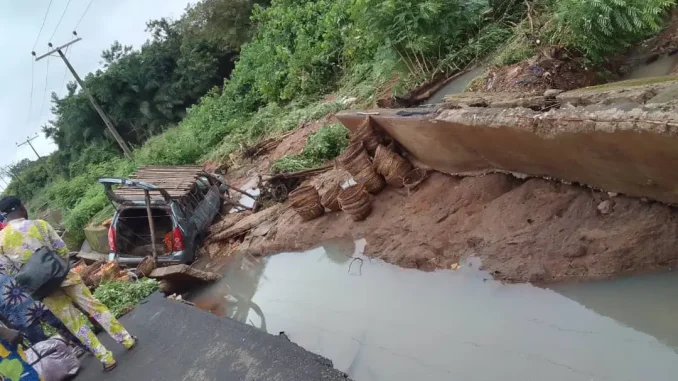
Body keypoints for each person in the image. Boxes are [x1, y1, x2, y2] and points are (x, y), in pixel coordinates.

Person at [0, 196, 136, 372]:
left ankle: (106, 358)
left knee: (74, 323)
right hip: (65, 276)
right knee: (95, 308)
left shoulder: (1, 241)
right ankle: (126, 339)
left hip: (43, 288)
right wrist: (58, 270)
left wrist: (36, 277)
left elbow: (11, 271)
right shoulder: (39, 224)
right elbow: (62, 249)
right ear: (21, 208)